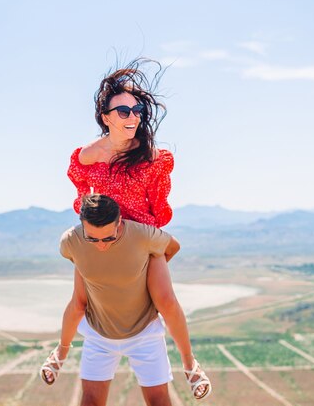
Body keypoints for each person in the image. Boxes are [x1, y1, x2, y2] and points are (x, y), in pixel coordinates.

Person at [41, 59, 211, 401]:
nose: (132, 117)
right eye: (123, 111)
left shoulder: (151, 157)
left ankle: (191, 365)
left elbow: (158, 210)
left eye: (137, 110)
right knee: (79, 302)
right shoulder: (87, 156)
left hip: (140, 238)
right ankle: (59, 353)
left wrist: (143, 242)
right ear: (105, 116)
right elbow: (81, 196)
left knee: (165, 300)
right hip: (100, 233)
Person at [40, 194, 210, 406]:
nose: (101, 245)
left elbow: (173, 246)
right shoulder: (71, 241)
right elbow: (78, 301)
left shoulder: (141, 235)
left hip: (144, 333)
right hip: (98, 334)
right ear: (82, 226)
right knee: (90, 401)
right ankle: (59, 353)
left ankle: (190, 363)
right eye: (92, 238)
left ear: (119, 222)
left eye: (108, 238)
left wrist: (146, 271)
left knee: (159, 401)